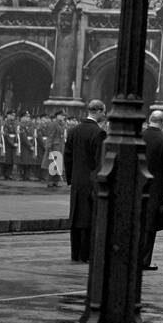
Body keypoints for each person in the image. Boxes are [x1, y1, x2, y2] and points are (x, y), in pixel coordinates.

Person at [64, 100, 106, 264]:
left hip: (77, 181)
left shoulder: (74, 130)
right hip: (92, 182)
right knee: (89, 218)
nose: (104, 115)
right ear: (99, 111)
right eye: (104, 112)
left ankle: (75, 253)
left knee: (75, 217)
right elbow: (100, 161)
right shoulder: (99, 133)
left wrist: (71, 178)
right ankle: (86, 254)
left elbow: (67, 156)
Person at [141, 109, 163, 273]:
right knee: (150, 224)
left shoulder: (138, 136)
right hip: (156, 187)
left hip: (136, 185)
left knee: (136, 220)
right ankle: (144, 260)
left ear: (150, 119)